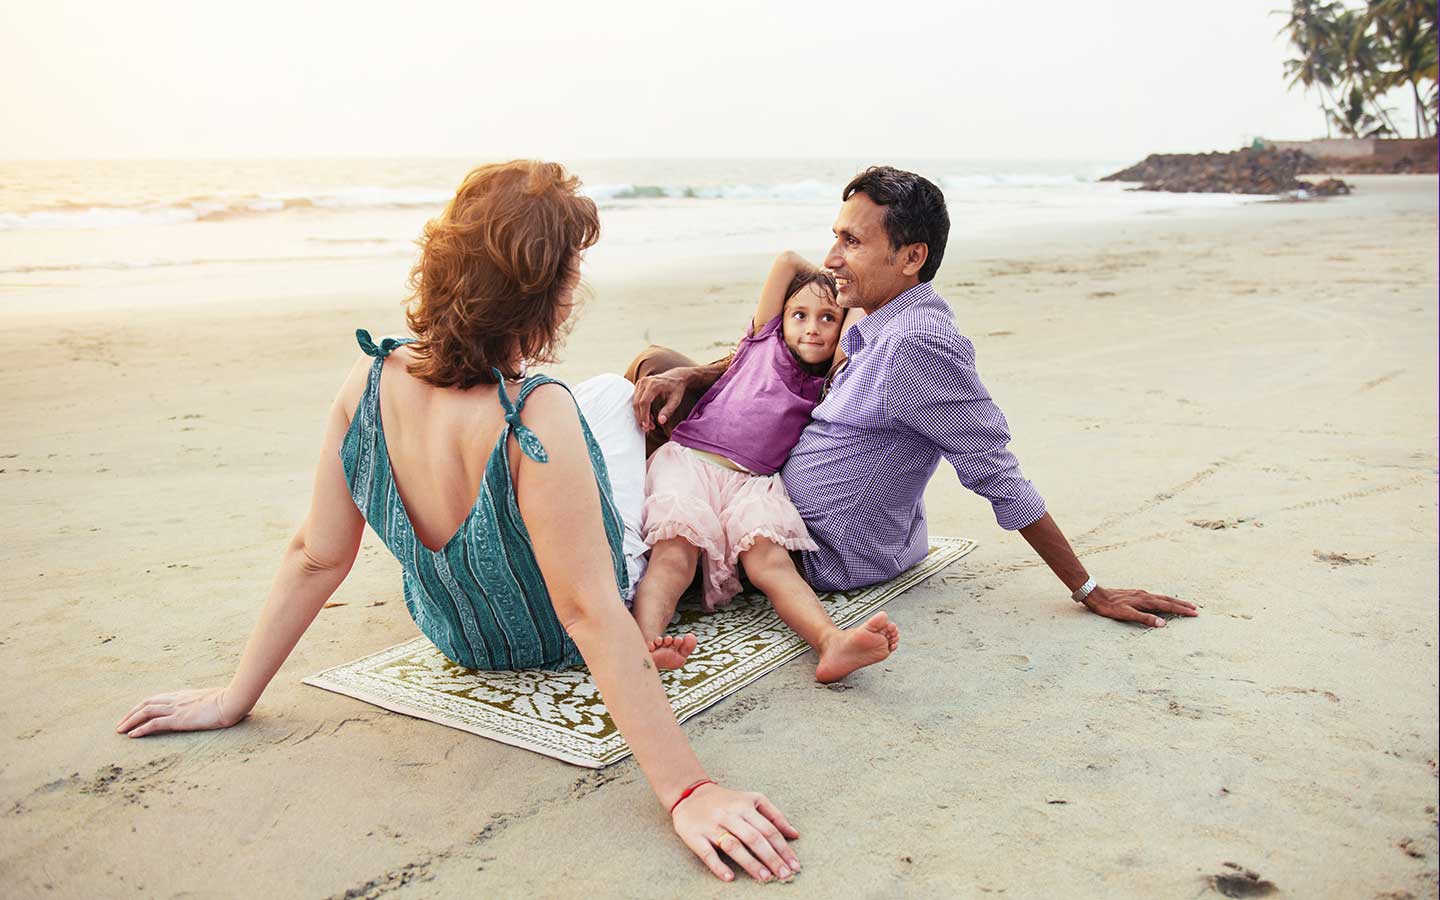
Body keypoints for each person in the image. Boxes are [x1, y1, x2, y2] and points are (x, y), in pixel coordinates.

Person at [115, 161, 801, 884]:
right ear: (549, 297)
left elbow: (317, 556)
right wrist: (687, 790)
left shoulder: (368, 379)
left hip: (458, 636)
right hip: (554, 633)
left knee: (602, 398)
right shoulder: (538, 412)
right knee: (613, 402)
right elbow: (589, 612)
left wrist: (234, 698)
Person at [631, 166, 1198, 628]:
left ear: (911, 258)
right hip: (769, 486)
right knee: (659, 369)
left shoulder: (919, 347)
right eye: (835, 236)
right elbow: (785, 315)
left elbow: (997, 473)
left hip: (815, 547)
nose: (830, 258)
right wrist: (698, 375)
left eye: (851, 241)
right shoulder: (877, 312)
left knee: (645, 396)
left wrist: (1089, 589)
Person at [630, 253, 900, 683]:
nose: (812, 326)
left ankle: (830, 642)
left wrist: (846, 299)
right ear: (782, 318)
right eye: (800, 315)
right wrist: (825, 278)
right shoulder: (760, 342)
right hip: (691, 463)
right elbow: (787, 261)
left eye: (828, 319)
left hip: (754, 484)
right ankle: (644, 646)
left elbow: (859, 314)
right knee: (674, 555)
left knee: (772, 563)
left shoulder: (828, 378)